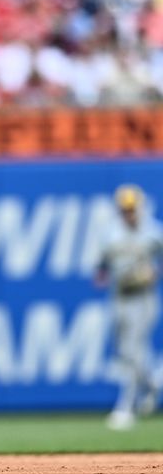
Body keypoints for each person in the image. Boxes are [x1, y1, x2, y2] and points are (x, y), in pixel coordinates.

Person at [95, 184, 163, 430]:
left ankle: (125, 408)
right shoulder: (111, 234)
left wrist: (154, 273)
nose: (129, 214)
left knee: (134, 350)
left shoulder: (153, 232)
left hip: (144, 298)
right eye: (125, 210)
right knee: (124, 352)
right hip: (120, 296)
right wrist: (101, 274)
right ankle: (153, 383)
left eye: (132, 209)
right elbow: (101, 265)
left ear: (140, 208)